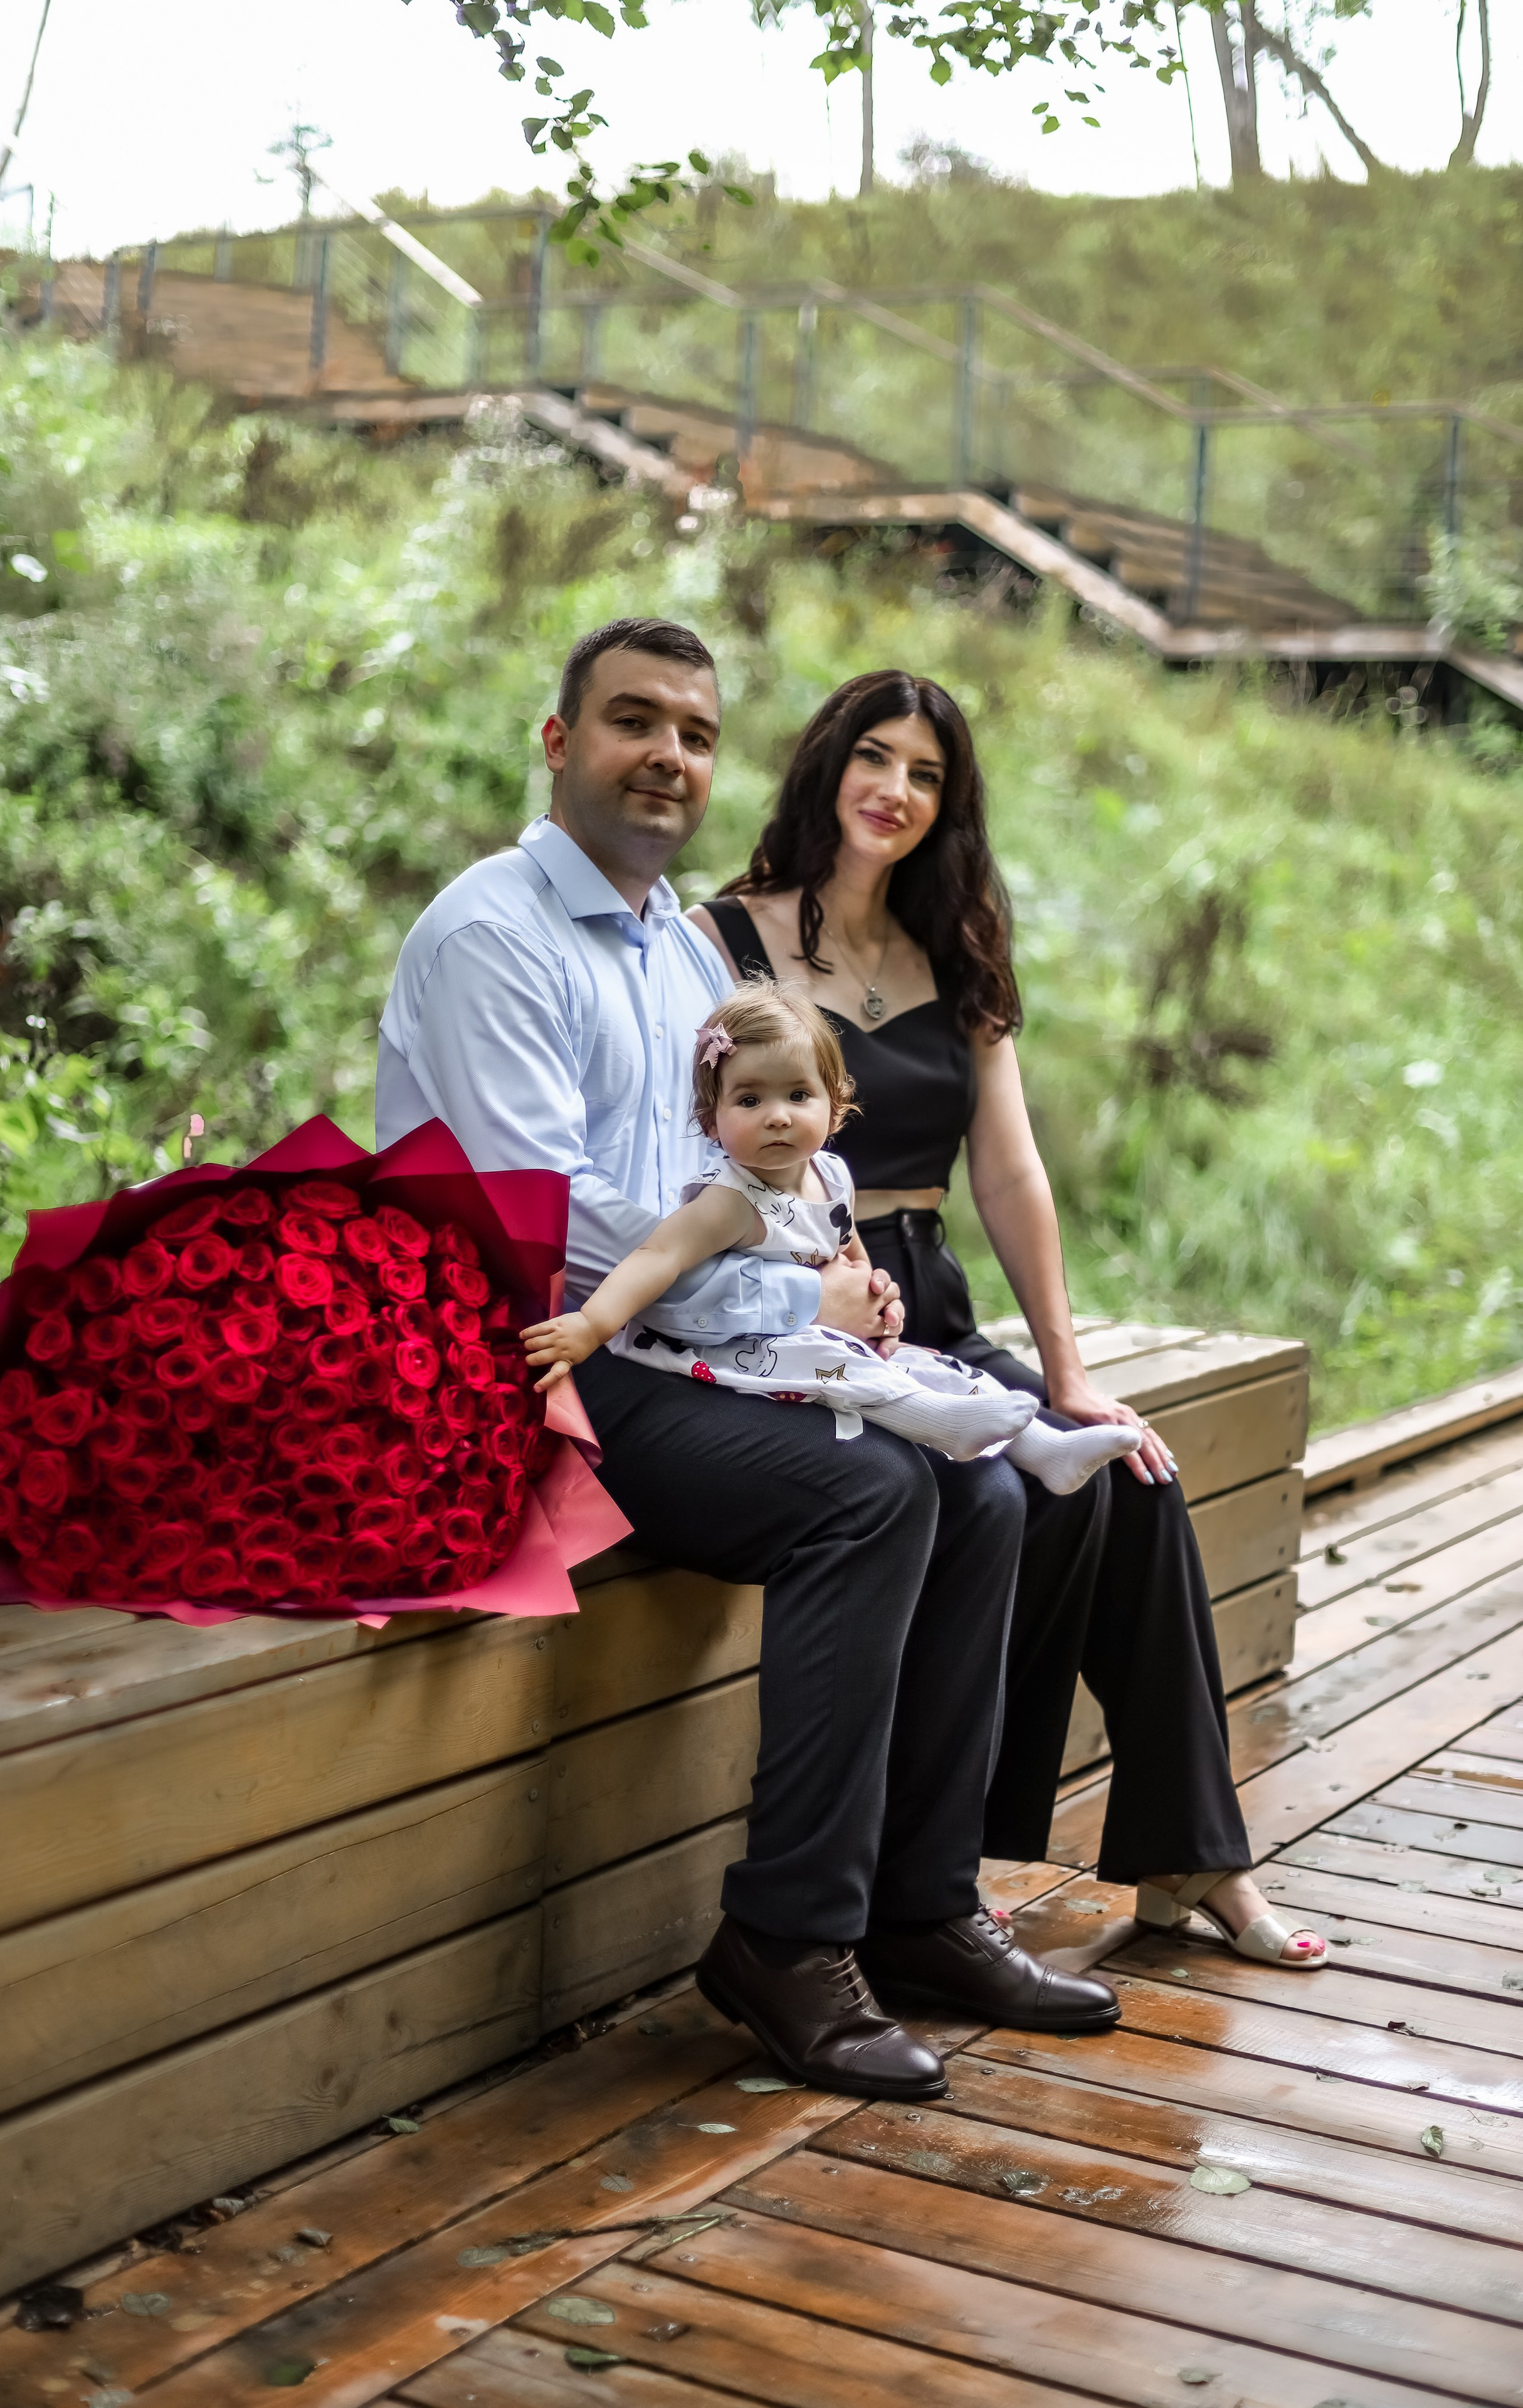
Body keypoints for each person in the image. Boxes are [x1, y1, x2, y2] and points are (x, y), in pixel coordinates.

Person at [377, 618, 1122, 2104]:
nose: (666, 755)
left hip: (679, 1329)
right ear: (556, 741)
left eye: (694, 733)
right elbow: (550, 1219)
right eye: (630, 721)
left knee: (975, 1488)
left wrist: (814, 1279)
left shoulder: (675, 945)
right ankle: (785, 1938)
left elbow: (731, 1171)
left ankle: (917, 1907)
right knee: (868, 1494)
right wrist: (778, 1281)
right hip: (532, 1356)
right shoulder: (490, 934)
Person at [691, 669, 1327, 1970]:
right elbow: (687, 1151)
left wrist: (1066, 1372)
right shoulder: (721, 942)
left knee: (1128, 1474)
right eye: (874, 759)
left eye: (926, 776)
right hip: (806, 1295)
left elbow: (1010, 1172)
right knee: (1031, 1498)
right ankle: (945, 1872)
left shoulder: (956, 952)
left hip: (931, 1294)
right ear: (825, 767)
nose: (895, 792)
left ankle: (1189, 1860)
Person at [522, 977, 1143, 1492]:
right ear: (712, 1120)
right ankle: (946, 1425)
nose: (777, 1115)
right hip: (746, 1351)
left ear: (834, 1105)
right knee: (852, 1370)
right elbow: (655, 1257)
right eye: (749, 1099)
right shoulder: (731, 1202)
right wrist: (591, 1325)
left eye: (797, 1094)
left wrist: (878, 1297)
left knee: (937, 1365)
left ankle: (1044, 1451)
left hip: (828, 1335)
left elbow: (849, 1252)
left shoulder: (832, 1175)